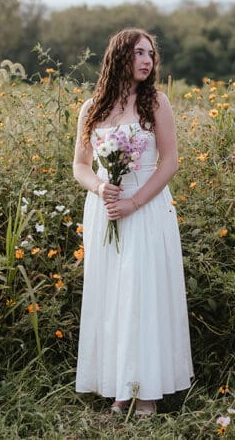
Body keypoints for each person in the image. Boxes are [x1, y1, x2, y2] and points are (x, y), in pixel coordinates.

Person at [72, 28, 194, 418]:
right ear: (119, 56)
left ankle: (147, 392)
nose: (147, 61)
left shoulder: (156, 102)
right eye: (139, 53)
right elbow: (80, 165)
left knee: (143, 294)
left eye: (151, 55)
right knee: (113, 297)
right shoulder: (92, 107)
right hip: (105, 211)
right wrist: (100, 187)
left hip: (147, 207)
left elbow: (170, 161)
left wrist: (135, 202)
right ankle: (119, 388)